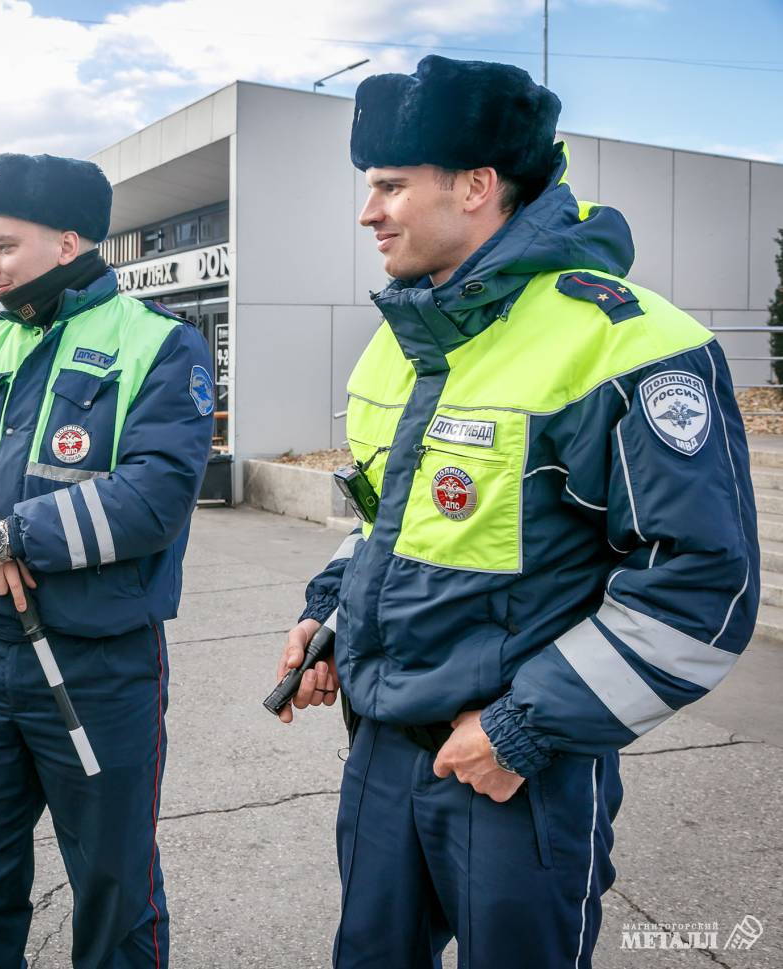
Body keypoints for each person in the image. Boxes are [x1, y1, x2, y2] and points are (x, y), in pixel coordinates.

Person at [274, 56, 759, 968]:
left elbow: (705, 588)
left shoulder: (627, 341)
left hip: (518, 767)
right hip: (383, 749)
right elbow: (388, 526)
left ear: (477, 186)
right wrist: (329, 615)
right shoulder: (400, 343)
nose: (368, 212)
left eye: (389, 186)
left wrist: (522, 728)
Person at [0, 153, 214, 968]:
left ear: (68, 241)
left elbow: (155, 497)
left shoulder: (161, 344)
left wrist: (10, 537)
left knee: (114, 892)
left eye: (4, 245)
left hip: (97, 666)